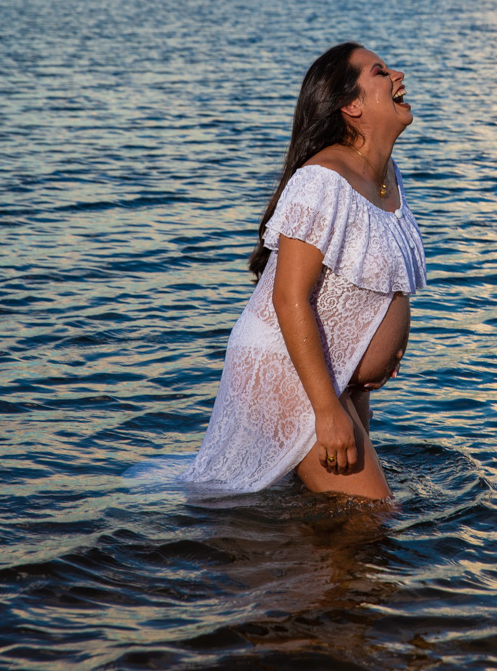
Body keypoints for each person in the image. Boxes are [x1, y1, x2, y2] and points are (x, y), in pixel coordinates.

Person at [178, 42, 426, 501]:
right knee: (374, 517)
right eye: (380, 72)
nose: (397, 76)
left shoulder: (387, 174)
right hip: (289, 374)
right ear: (351, 105)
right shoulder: (321, 179)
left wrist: (360, 383)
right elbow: (289, 297)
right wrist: (327, 410)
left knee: (331, 517)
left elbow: (358, 292)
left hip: (333, 377)